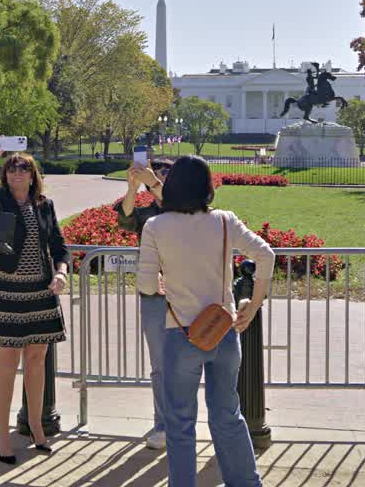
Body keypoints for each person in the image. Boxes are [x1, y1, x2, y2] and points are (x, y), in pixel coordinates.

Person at [138, 154, 275, 487]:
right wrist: (253, 305)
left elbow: (144, 285)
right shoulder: (224, 221)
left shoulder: (156, 226)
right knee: (228, 415)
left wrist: (161, 281)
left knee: (180, 423)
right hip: (223, 330)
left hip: (180, 332)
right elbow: (266, 255)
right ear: (207, 186)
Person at [0, 140, 69, 464]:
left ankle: (35, 427)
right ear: (6, 175)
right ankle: (2, 432)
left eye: (24, 167)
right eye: (12, 168)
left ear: (33, 175)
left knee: (36, 361)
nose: (18, 172)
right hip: (7, 293)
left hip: (41, 295)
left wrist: (61, 273)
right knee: (7, 366)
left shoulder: (44, 205)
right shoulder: (0, 200)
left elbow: (59, 245)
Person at [116, 157, 172, 450]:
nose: (157, 177)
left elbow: (171, 205)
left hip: (185, 293)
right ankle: (162, 425)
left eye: (162, 174)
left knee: (189, 363)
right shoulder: (148, 212)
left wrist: (153, 183)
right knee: (160, 365)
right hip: (153, 295)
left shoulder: (182, 208)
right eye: (157, 173)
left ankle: (183, 422)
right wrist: (132, 186)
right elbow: (125, 219)